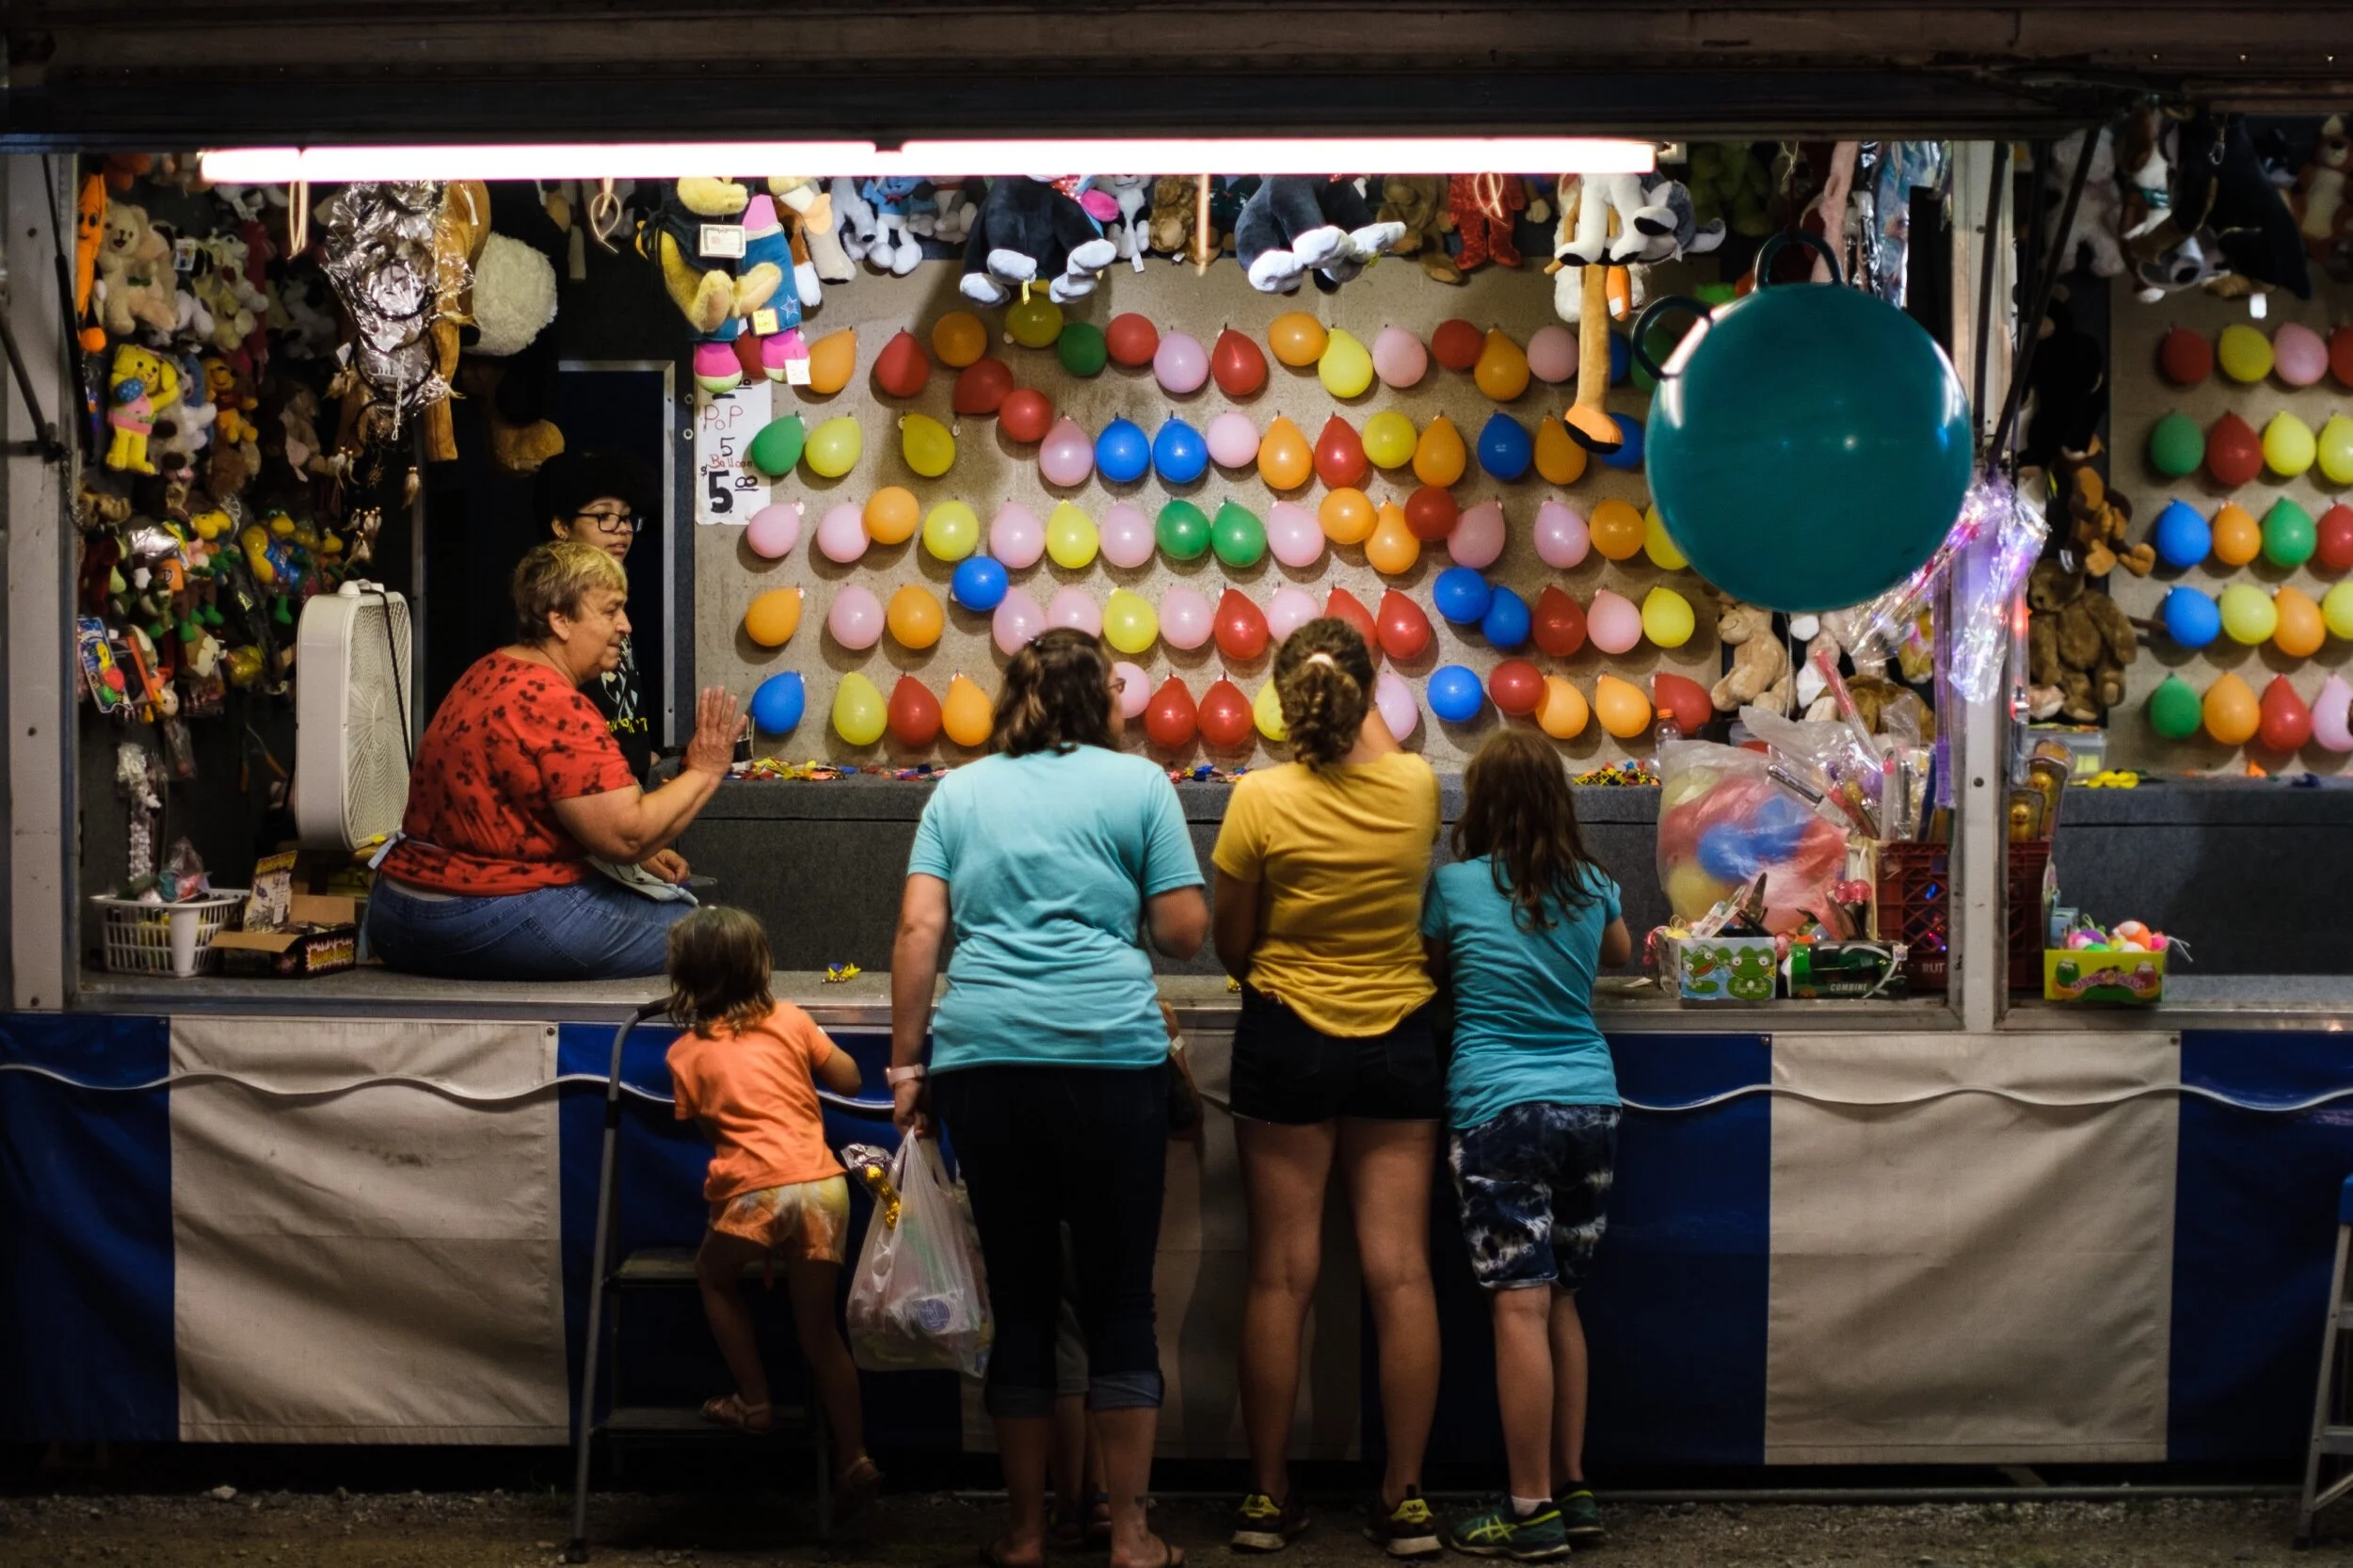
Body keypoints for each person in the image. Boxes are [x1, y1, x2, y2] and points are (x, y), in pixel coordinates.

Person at [888, 629, 1208, 1568]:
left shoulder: (958, 790)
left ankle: (1025, 1533)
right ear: (1101, 695)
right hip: (1111, 1061)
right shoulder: (1139, 785)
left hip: (984, 1060)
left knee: (1021, 1303)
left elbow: (917, 927)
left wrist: (910, 1070)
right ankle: (1132, 1532)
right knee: (1119, 1300)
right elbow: (1185, 933)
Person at [1209, 619, 1445, 1560]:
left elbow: (1233, 943)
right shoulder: (1418, 787)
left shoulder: (1256, 800)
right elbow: (1375, 746)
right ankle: (1404, 1498)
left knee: (1278, 1273)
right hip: (1397, 1039)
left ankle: (1267, 1498)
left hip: (1287, 1036)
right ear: (1369, 692)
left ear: (1281, 697)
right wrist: (1361, 683)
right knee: (1399, 1272)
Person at [1422, 730, 1632, 1559]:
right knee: (1562, 1299)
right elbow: (1617, 955)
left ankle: (1530, 1511)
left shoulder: (1456, 886)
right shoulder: (1595, 884)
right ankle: (1573, 1489)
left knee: (1519, 1305)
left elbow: (1433, 972)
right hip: (1590, 1109)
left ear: (1479, 806)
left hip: (1498, 1111)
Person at [368, 541, 742, 981]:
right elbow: (626, 836)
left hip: (398, 914)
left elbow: (524, 811)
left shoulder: (486, 670)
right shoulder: (553, 701)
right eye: (610, 611)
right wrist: (706, 768)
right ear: (560, 619)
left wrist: (633, 857)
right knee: (723, 944)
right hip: (475, 917)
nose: (625, 625)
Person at [662, 905, 881, 1498]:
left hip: (756, 1192)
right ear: (760, 965)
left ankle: (754, 1402)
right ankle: (855, 1455)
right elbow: (851, 1082)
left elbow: (717, 1141)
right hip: (822, 1186)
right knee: (818, 1331)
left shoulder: (684, 1053)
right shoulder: (791, 1018)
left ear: (684, 977)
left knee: (713, 1277)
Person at [540, 450, 657, 781]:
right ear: (562, 526)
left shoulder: (612, 591)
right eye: (604, 516)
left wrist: (638, 752)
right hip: (592, 786)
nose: (621, 529)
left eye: (627, 517)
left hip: (627, 779)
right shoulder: (553, 601)